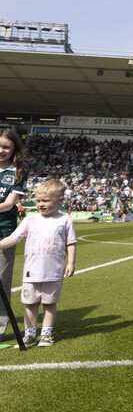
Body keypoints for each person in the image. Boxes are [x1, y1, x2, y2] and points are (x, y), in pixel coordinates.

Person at [0, 179, 76, 348]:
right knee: (30, 303)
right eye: (39, 200)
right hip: (31, 272)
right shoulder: (30, 219)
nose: (41, 204)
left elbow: (70, 243)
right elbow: (14, 238)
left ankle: (46, 334)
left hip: (53, 271)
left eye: (46, 201)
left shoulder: (64, 220)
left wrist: (70, 262)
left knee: (49, 304)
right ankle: (29, 334)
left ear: (60, 201)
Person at [0, 129, 27, 344]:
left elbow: (9, 204)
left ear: (14, 150)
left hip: (4, 234)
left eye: (6, 147)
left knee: (1, 281)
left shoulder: (18, 171)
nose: (1, 150)